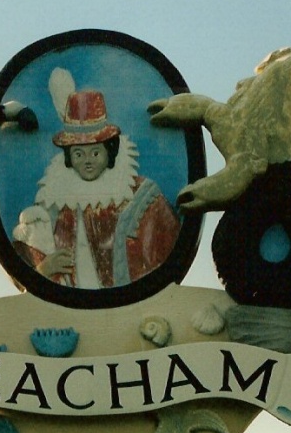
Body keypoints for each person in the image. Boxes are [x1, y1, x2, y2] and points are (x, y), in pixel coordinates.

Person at [13, 78, 180, 289]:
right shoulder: (54, 205)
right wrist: (44, 268)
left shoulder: (143, 197)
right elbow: (25, 269)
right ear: (68, 158)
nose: (88, 160)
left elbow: (169, 252)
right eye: (78, 153)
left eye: (95, 152)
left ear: (109, 152)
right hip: (71, 310)